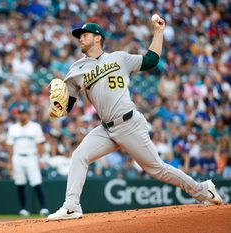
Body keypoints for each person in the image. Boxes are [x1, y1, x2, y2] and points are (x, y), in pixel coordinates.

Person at [47, 17, 223, 221]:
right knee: (79, 156)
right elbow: (65, 105)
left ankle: (202, 190)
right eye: (79, 36)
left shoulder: (119, 58)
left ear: (98, 38)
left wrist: (158, 32)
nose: (80, 39)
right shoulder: (76, 69)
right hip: (106, 129)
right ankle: (71, 206)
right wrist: (57, 109)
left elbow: (151, 60)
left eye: (84, 35)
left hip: (129, 124)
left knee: (157, 170)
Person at [6, 104, 49, 217]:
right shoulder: (13, 128)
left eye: (23, 113)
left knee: (37, 183)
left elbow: (40, 144)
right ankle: (23, 209)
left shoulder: (35, 127)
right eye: (19, 114)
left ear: (28, 114)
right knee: (20, 184)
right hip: (17, 157)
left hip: (32, 157)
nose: (21, 115)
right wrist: (10, 163)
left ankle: (43, 208)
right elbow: (10, 147)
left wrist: (41, 159)